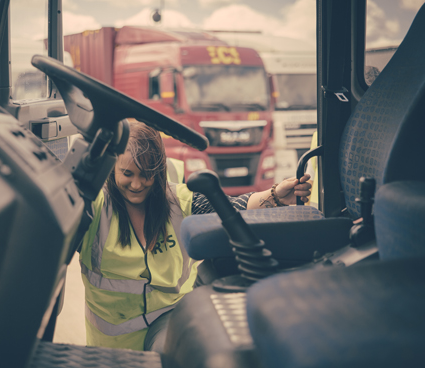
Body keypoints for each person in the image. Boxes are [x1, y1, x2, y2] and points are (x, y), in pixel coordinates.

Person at [78, 121, 311, 352]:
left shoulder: (178, 201)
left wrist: (275, 196)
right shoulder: (92, 208)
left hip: (169, 323)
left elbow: (232, 207)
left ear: (159, 171)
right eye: (127, 174)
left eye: (146, 175)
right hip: (113, 347)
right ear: (112, 168)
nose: (137, 184)